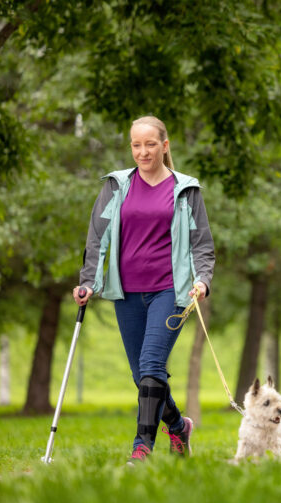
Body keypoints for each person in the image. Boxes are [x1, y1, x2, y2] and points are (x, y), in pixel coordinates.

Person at [75, 116, 215, 463]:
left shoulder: (185, 190)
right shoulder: (116, 186)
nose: (142, 151)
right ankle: (179, 427)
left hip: (170, 290)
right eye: (136, 145)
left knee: (153, 363)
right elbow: (97, 237)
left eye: (150, 144)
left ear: (164, 146)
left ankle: (142, 447)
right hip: (127, 292)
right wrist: (88, 281)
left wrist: (202, 280)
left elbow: (202, 245)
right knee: (143, 377)